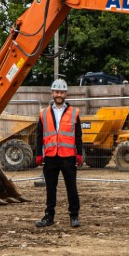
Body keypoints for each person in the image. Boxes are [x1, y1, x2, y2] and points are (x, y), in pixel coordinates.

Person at [35, 79, 83, 228]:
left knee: (71, 187)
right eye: (56, 92)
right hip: (50, 156)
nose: (59, 94)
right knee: (50, 188)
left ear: (65, 94)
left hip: (68, 156)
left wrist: (79, 154)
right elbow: (38, 135)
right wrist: (38, 154)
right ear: (52, 93)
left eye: (61, 92)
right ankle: (49, 216)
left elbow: (78, 136)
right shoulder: (43, 113)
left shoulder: (74, 112)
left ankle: (74, 216)